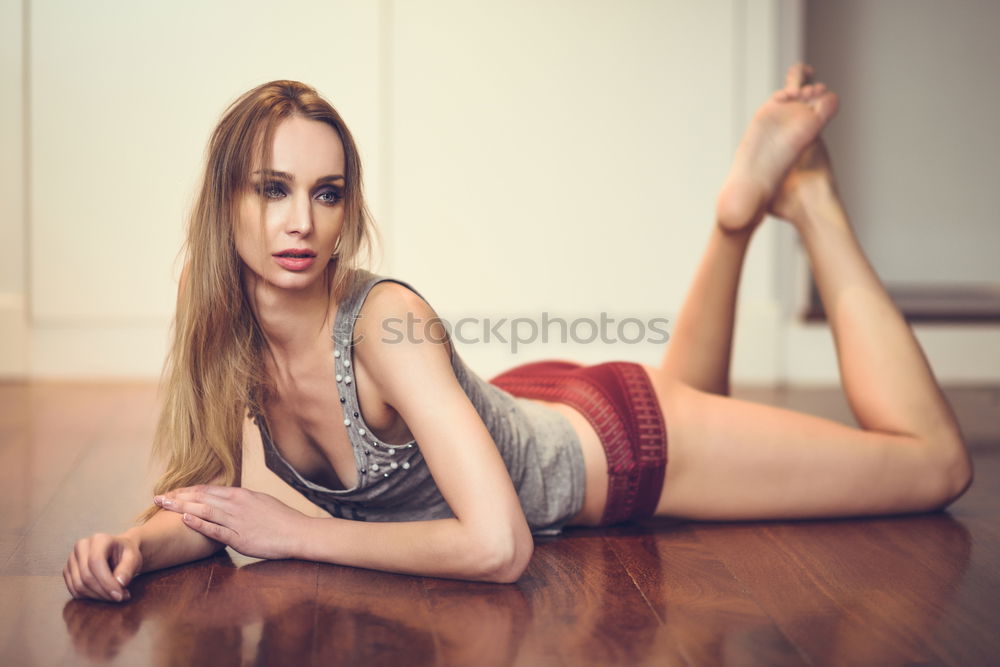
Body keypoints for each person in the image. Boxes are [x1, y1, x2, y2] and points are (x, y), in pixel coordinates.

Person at [63, 64, 973, 602]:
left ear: (349, 208)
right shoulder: (212, 302)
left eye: (326, 191)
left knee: (932, 465)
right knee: (695, 398)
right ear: (226, 198)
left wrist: (300, 533)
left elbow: (501, 546)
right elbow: (217, 490)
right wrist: (140, 544)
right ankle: (734, 220)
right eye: (272, 188)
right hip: (527, 404)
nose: (300, 220)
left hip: (615, 444)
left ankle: (804, 198)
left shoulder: (384, 321)